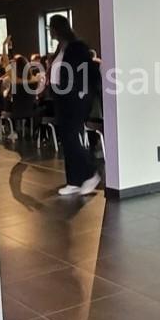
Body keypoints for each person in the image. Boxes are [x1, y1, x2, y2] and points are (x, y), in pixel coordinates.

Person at [47, 14, 101, 196]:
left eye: (51, 28)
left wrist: (81, 92)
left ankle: (90, 173)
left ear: (58, 28)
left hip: (75, 98)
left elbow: (84, 72)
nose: (50, 31)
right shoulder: (61, 48)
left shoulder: (77, 47)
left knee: (73, 136)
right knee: (67, 138)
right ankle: (74, 180)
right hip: (62, 98)